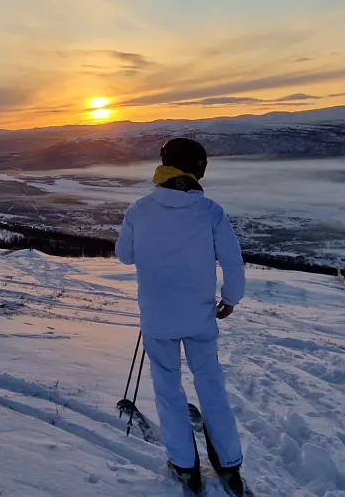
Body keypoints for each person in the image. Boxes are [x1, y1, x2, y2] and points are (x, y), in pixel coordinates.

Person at [116, 138, 247, 496]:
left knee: (167, 389)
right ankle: (229, 463)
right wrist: (231, 299)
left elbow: (124, 255)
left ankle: (185, 466)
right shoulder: (210, 211)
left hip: (158, 317)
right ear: (197, 169)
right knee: (211, 385)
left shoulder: (140, 210)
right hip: (200, 316)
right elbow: (232, 262)